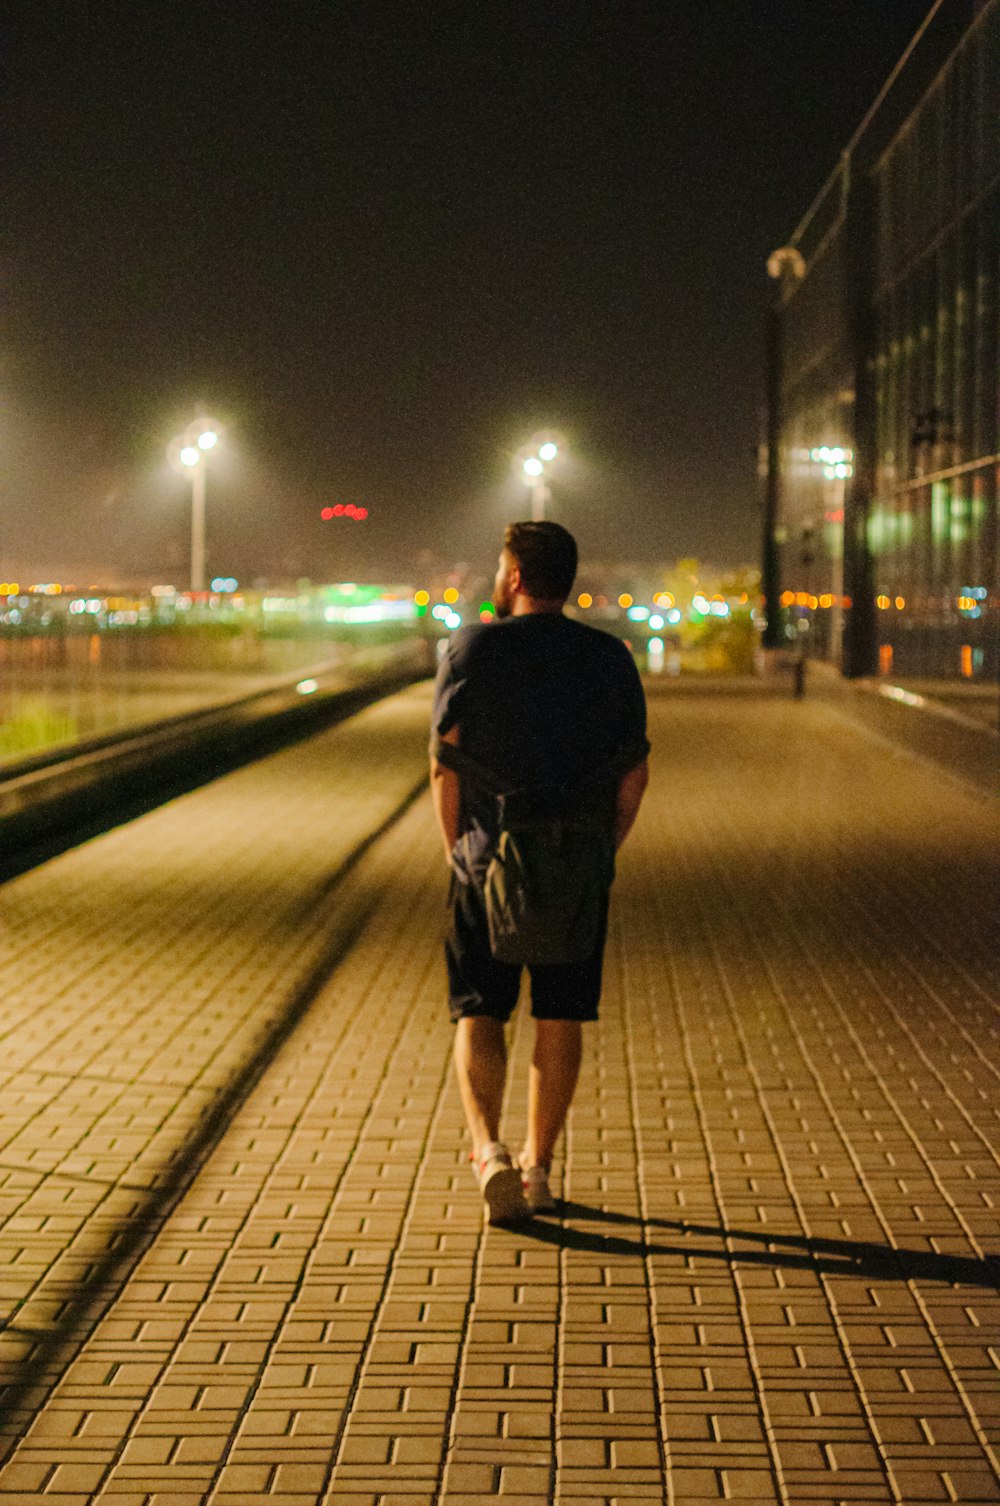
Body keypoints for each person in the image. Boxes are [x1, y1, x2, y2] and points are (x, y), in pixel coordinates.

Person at [430, 521, 649, 1224]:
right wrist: (604, 846)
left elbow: (445, 758)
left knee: (480, 1009)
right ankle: (539, 1169)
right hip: (576, 863)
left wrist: (453, 845)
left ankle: (488, 1150)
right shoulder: (609, 657)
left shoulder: (472, 647)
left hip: (486, 859)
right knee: (561, 1012)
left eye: (501, 567)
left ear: (516, 577)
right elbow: (634, 770)